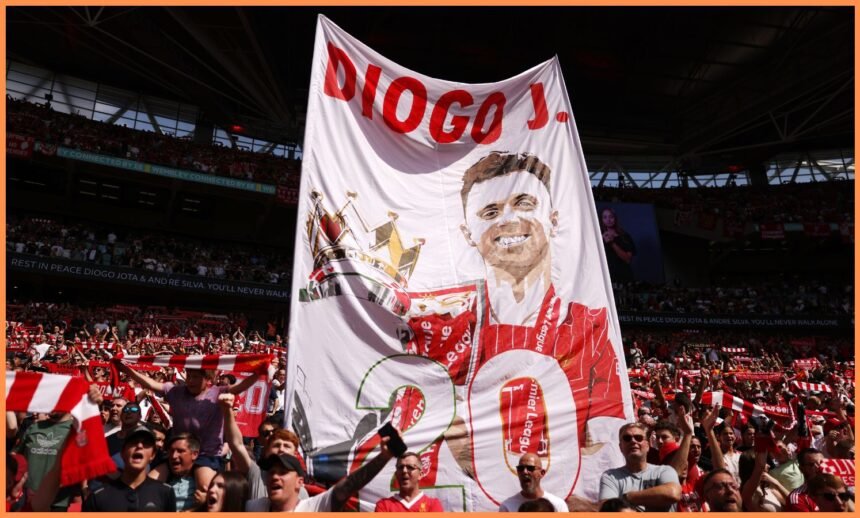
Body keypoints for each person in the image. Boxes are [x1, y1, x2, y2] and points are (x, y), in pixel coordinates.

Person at [117, 362, 264, 493]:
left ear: (208, 380)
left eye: (196, 377)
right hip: (177, 453)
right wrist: (124, 368)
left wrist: (259, 372)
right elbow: (149, 383)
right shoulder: (175, 392)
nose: (190, 380)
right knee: (149, 484)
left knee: (205, 489)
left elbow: (241, 386)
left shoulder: (219, 392)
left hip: (207, 455)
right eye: (189, 376)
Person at [244, 434, 398, 512]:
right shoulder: (252, 508)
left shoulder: (314, 508)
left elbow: (348, 486)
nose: (275, 476)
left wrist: (383, 457)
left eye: (283, 472)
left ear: (300, 482)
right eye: (272, 472)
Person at [82, 426, 176, 511]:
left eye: (146, 443)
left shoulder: (165, 493)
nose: (139, 446)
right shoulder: (98, 496)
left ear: (152, 455)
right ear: (122, 452)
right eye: (133, 442)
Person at [598, 423, 681, 512]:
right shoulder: (610, 476)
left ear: (648, 445)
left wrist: (627, 497)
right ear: (620, 447)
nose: (633, 441)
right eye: (627, 438)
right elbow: (608, 510)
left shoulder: (664, 470)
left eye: (638, 438)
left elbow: (673, 493)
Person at [374, 452, 444, 512]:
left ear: (420, 475)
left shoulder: (433, 504)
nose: (404, 471)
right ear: (396, 474)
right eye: (400, 467)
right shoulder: (384, 505)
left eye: (410, 467)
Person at [498, 453, 568, 512]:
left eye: (530, 468)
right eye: (520, 469)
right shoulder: (507, 507)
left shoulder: (558, 505)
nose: (525, 472)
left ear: (542, 473)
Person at [599, 207, 636, 283]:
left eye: (611, 217)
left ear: (615, 218)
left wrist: (612, 243)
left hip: (623, 276)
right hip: (605, 278)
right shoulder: (598, 237)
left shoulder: (625, 236)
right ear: (601, 220)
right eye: (605, 217)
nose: (608, 220)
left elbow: (627, 259)